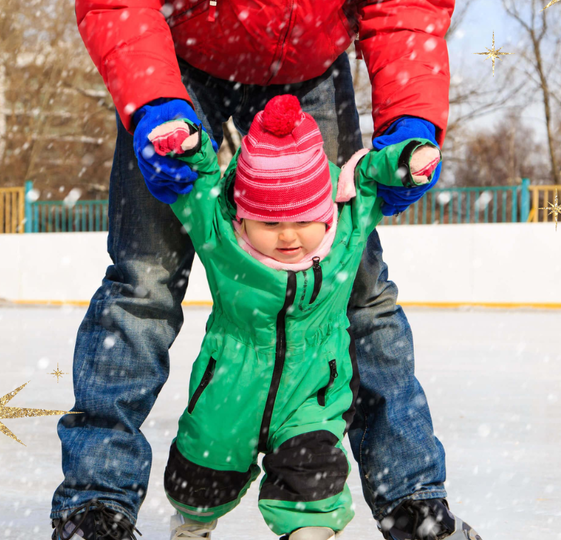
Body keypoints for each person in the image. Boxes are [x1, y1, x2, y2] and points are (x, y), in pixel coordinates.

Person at [53, 1, 479, 539]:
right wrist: (153, 101)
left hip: (310, 66)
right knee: (143, 282)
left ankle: (412, 501)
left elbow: (404, 7)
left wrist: (411, 121)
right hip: (177, 59)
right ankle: (97, 504)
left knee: (357, 290)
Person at [145, 95, 445, 540]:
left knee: (313, 488)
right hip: (229, 389)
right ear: (243, 220)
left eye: (303, 220)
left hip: (313, 393)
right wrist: (186, 146)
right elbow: (202, 180)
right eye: (268, 224)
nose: (288, 236)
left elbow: (367, 177)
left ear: (325, 215)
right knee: (199, 479)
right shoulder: (222, 237)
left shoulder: (343, 232)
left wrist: (407, 158)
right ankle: (193, 526)